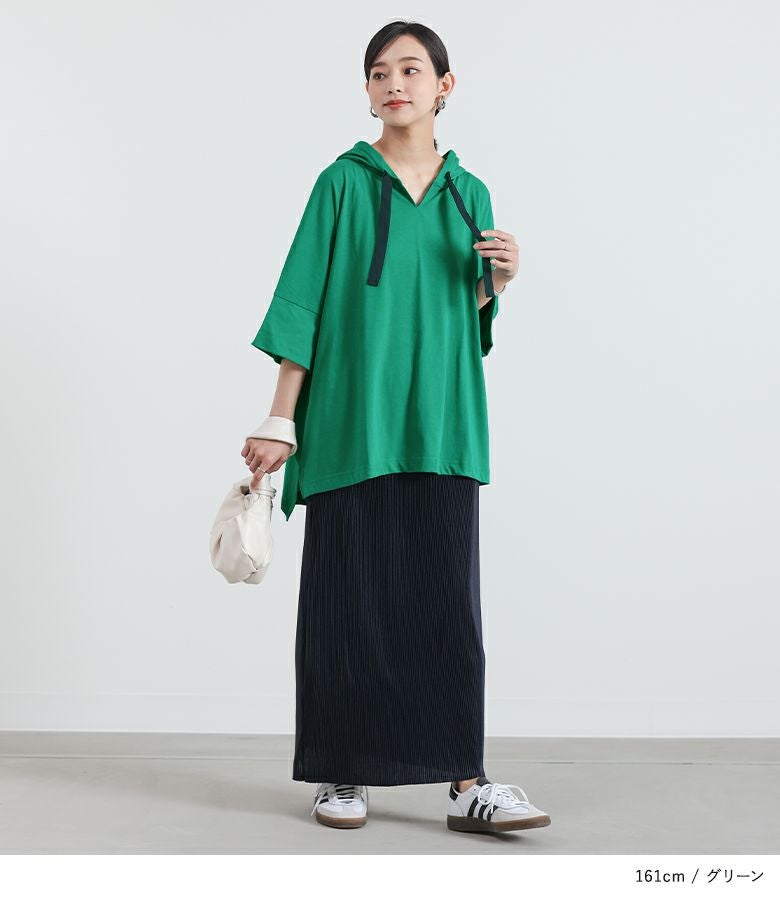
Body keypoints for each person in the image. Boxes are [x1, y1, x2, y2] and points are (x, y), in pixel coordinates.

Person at [240, 20, 552, 834]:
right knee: (348, 604)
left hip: (442, 426)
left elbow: (454, 315)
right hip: (351, 423)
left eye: (411, 70)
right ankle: (343, 772)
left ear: (445, 86)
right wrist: (280, 418)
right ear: (368, 91)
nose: (394, 84)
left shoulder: (470, 193)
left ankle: (466, 783)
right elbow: (303, 301)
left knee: (446, 608)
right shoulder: (341, 184)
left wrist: (497, 285)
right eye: (379, 73)